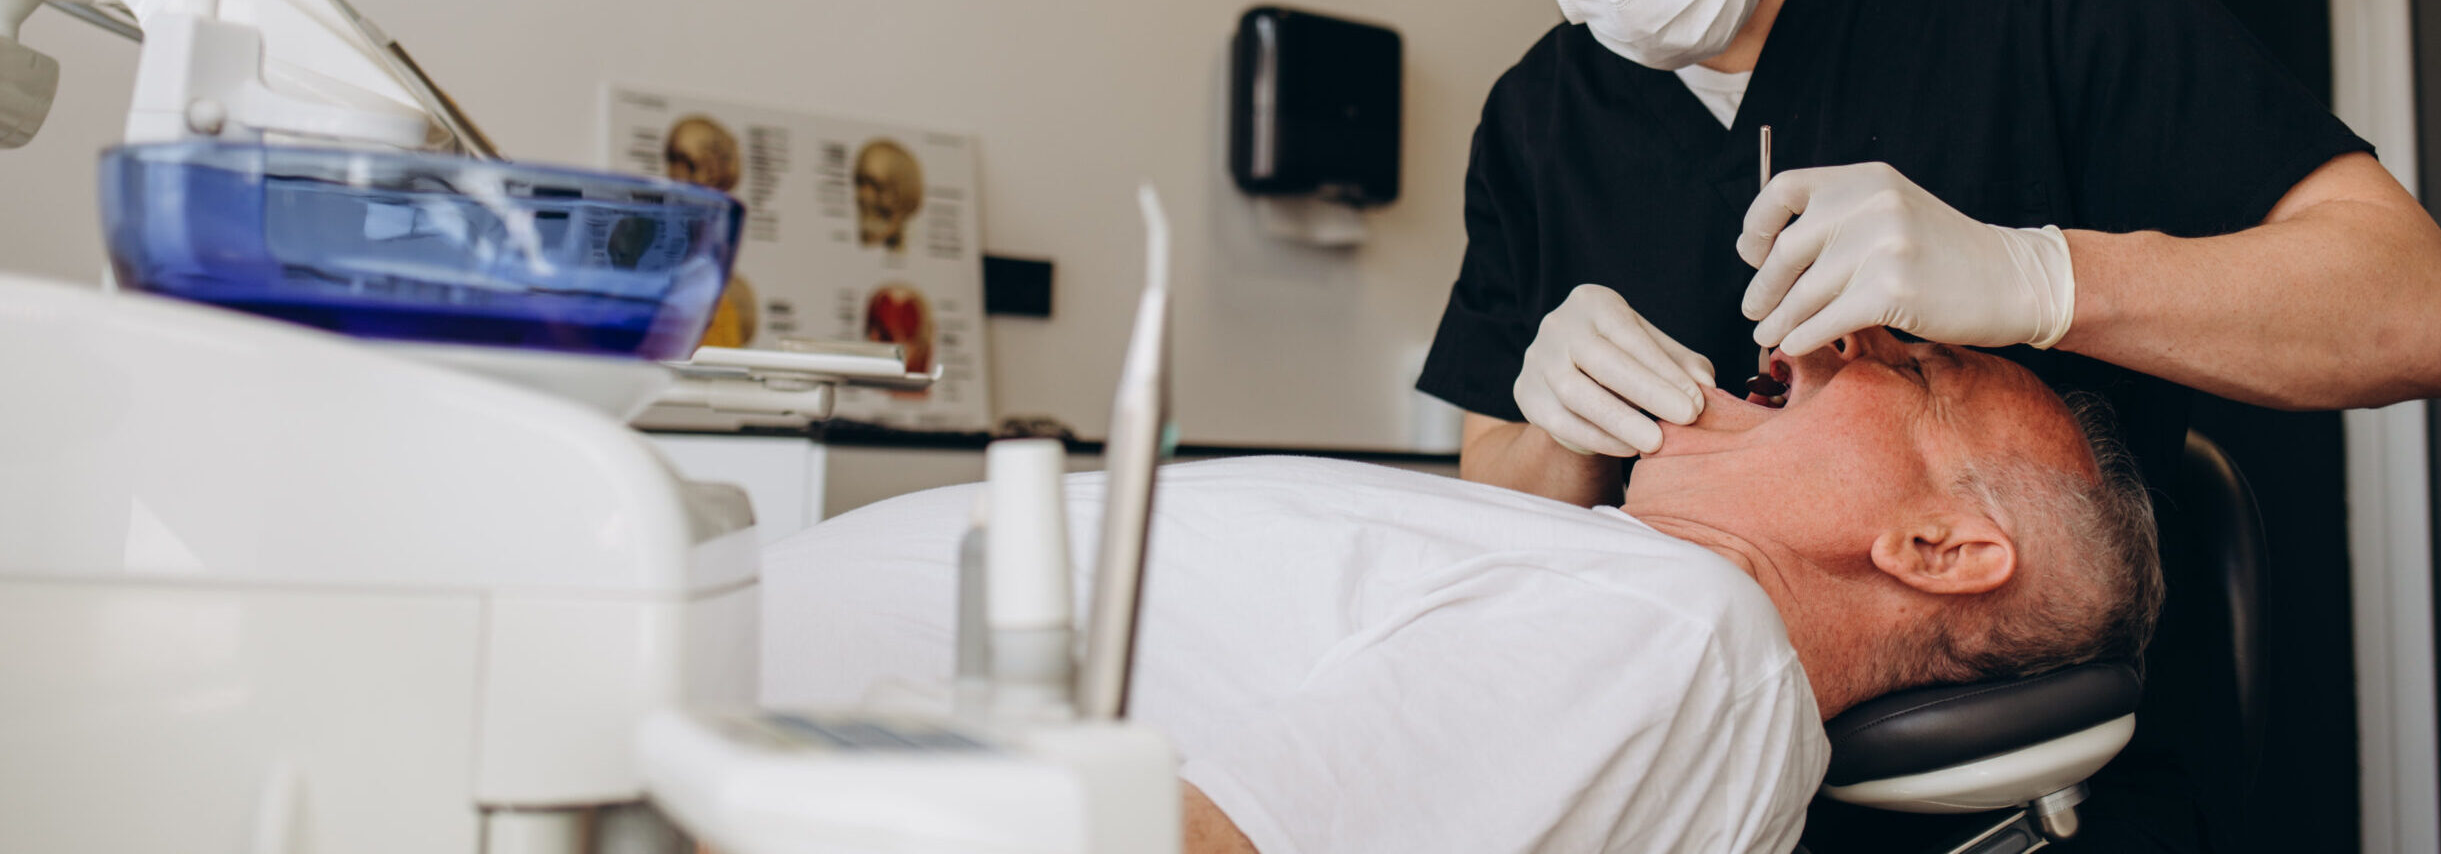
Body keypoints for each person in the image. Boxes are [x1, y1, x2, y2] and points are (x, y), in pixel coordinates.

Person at [1410, 0, 2441, 849]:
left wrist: (2041, 276)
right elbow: (1494, 491)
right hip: (1675, 795)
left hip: (2041, 804)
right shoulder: (1536, 120)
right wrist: (1555, 431)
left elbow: (2428, 319)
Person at [761, 329, 2163, 854]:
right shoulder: (1622, 596)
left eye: (1901, 369)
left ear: (1938, 550)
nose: (1820, 336)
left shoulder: (1683, 639)